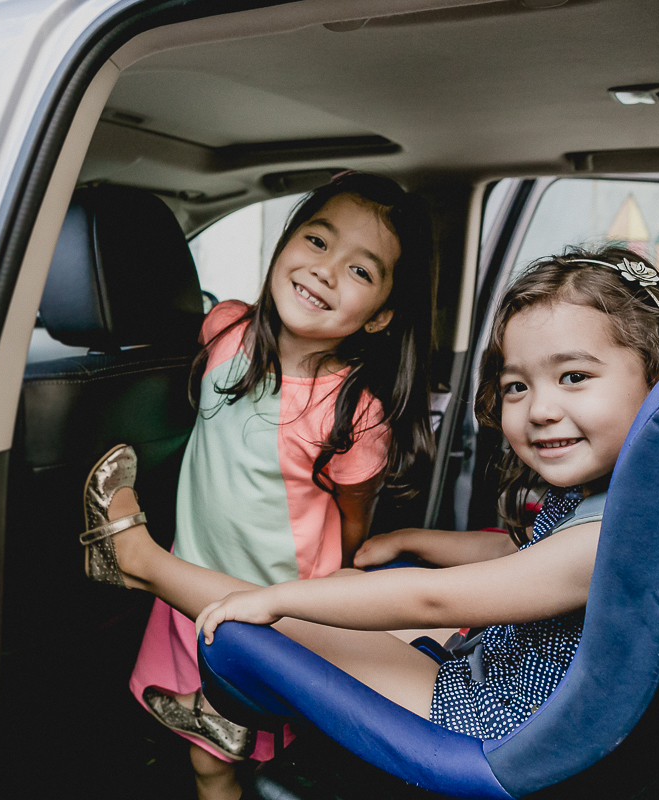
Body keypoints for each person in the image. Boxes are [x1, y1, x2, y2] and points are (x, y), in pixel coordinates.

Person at [79, 246, 659, 774]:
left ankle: (137, 562)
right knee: (344, 588)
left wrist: (282, 598)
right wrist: (415, 539)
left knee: (270, 621)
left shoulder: (618, 535)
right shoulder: (626, 495)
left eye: (573, 377)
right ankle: (224, 715)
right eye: (517, 385)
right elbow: (526, 553)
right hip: (504, 665)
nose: (538, 409)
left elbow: (437, 602)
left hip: (498, 727)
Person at [85, 173, 436, 800]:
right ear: (285, 245)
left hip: (274, 598)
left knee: (238, 744)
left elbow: (353, 513)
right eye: (318, 241)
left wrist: (339, 576)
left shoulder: (353, 411)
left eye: (361, 271)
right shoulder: (225, 330)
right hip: (189, 577)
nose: (326, 271)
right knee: (205, 751)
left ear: (381, 316)